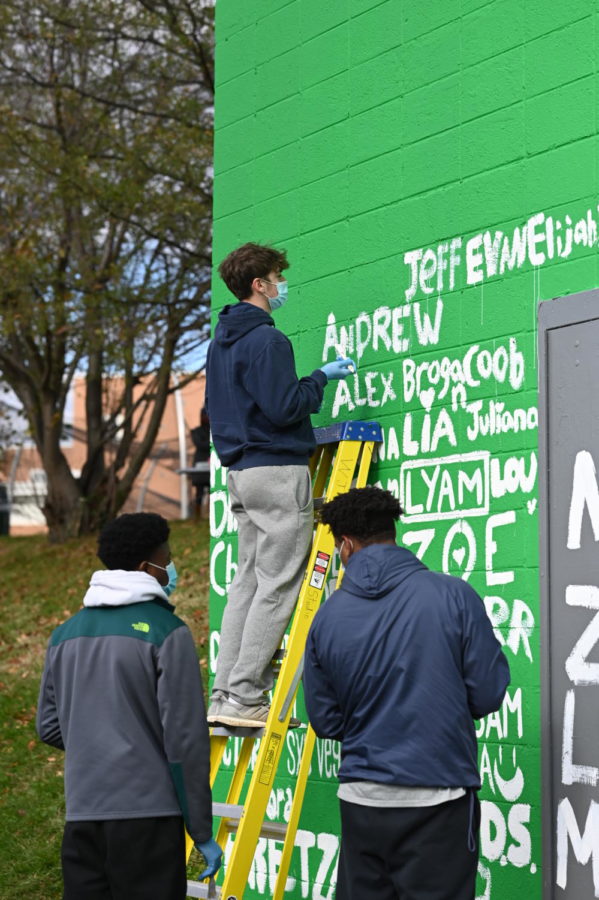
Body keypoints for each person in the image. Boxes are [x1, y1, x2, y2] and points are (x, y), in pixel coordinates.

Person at [303, 487, 510, 900]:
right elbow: (487, 695)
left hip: (361, 800)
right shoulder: (454, 596)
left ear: (345, 545)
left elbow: (325, 722)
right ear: (392, 532)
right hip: (440, 797)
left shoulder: (327, 616)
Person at [205, 241, 355, 728]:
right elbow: (286, 407)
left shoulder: (220, 342)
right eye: (276, 276)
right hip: (276, 470)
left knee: (246, 581)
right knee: (278, 583)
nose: (281, 284)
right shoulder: (268, 340)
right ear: (259, 284)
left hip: (240, 474)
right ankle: (247, 694)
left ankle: (225, 691)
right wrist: (319, 379)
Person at [36, 512, 222, 900]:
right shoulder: (167, 632)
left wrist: (98, 745)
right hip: (149, 818)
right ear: (146, 567)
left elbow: (49, 726)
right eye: (166, 557)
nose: (171, 567)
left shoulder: (63, 635)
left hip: (83, 814)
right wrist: (201, 830)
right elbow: (184, 741)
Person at [190, 407, 211, 519]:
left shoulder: (214, 430)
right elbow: (200, 444)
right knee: (199, 493)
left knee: (213, 493)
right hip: (200, 467)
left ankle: (211, 516)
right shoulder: (196, 432)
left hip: (212, 467)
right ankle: (197, 517)